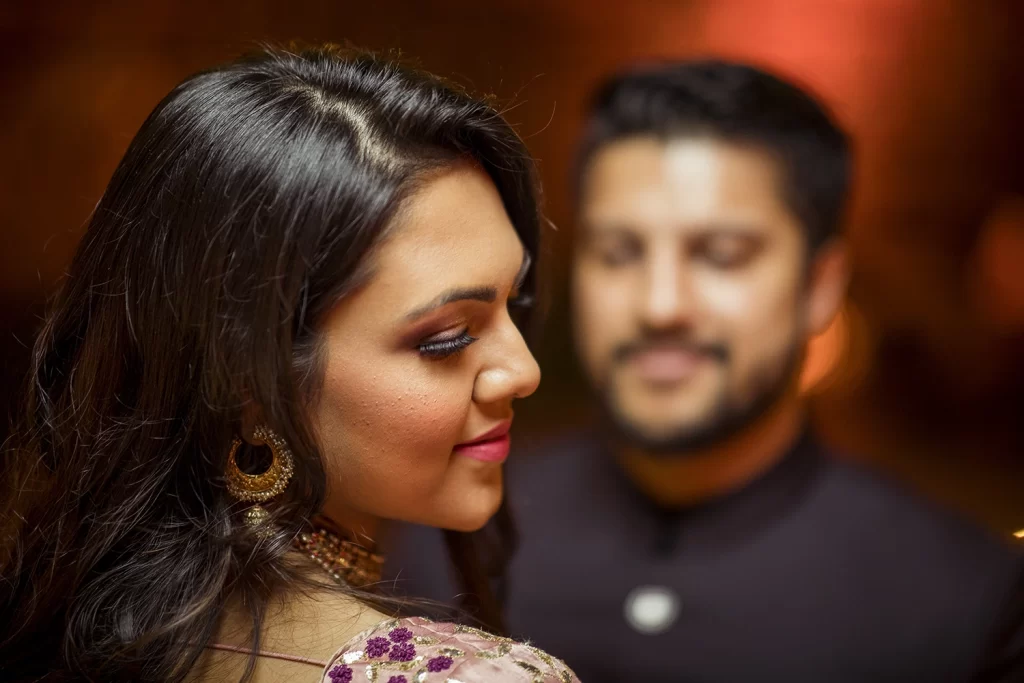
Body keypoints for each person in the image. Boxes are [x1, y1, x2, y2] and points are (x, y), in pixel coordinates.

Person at [387, 60, 1024, 682]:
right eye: (618, 252)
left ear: (820, 287)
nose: (661, 305)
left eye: (721, 256)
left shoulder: (965, 602)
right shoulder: (437, 538)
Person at [0, 45, 580, 683]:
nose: (523, 371)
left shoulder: (88, 627)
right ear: (248, 387)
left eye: (512, 301)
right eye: (446, 338)